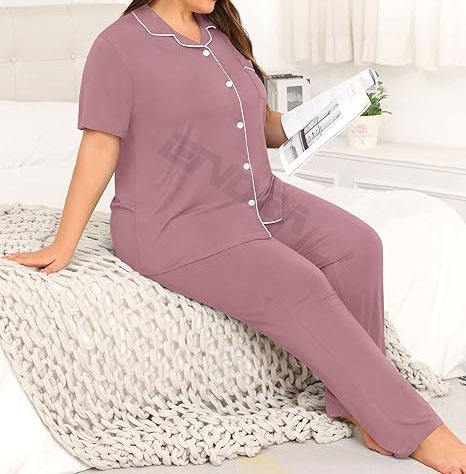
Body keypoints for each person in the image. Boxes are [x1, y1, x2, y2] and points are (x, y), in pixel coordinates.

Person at [3, 0, 465, 471]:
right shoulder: (119, 46)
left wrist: (323, 113)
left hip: (259, 198)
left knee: (358, 247)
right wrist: (65, 242)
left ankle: (359, 403)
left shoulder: (219, 33)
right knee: (300, 284)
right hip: (176, 225)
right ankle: (416, 430)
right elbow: (100, 144)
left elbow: (262, 127)